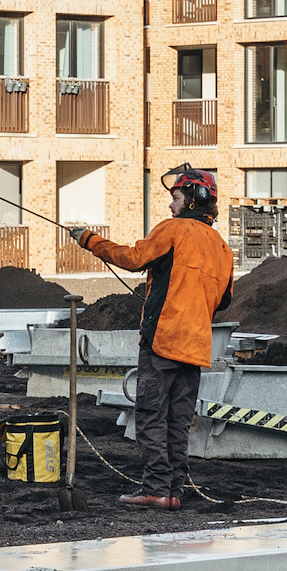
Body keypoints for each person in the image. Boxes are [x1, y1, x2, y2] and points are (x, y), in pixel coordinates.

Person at [63, 165, 233, 511]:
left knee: (152, 414)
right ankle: (173, 491)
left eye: (176, 197)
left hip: (163, 340)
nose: (171, 205)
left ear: (191, 201)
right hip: (197, 346)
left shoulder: (173, 229)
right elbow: (225, 299)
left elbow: (133, 258)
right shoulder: (221, 247)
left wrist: (89, 240)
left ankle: (156, 489)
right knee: (179, 420)